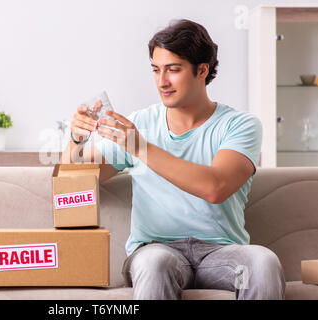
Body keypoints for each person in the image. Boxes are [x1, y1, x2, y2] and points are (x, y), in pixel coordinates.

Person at [61, 19, 285, 300]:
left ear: (202, 70)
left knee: (262, 264)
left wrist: (141, 148)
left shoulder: (239, 125)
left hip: (221, 257)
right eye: (156, 70)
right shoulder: (140, 124)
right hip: (155, 251)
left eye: (173, 70)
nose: (162, 82)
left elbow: (216, 187)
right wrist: (76, 139)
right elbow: (73, 181)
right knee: (156, 264)